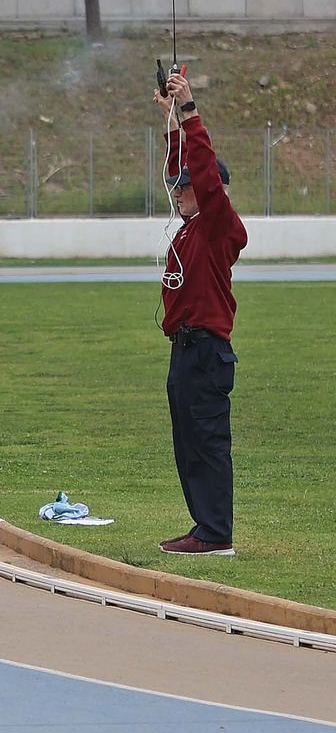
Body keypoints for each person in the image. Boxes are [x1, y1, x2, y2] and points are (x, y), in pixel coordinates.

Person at [154, 71, 247, 556]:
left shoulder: (215, 223)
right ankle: (204, 527)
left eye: (188, 186)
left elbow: (202, 170)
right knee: (188, 443)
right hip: (185, 350)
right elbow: (181, 166)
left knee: (207, 442)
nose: (179, 190)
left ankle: (216, 533)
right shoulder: (191, 226)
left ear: (214, 190)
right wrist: (171, 120)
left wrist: (191, 112)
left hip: (206, 350)